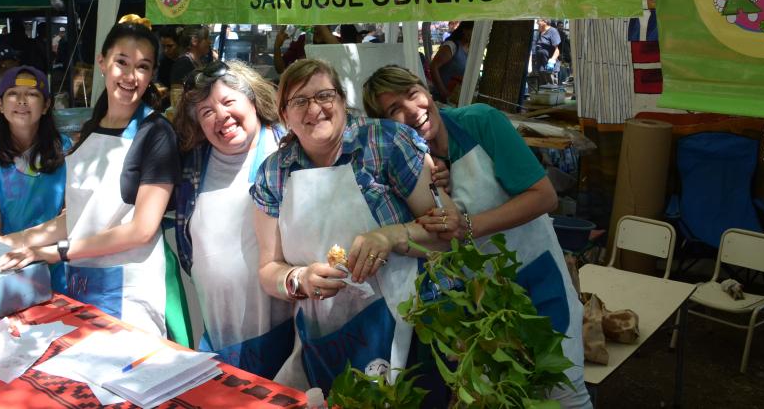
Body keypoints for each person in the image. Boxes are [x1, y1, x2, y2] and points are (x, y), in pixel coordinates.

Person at [362, 65, 591, 408]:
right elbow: (431, 237)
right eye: (395, 110)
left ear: (426, 89)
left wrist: (468, 225)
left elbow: (544, 196)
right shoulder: (409, 163)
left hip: (539, 286)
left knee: (562, 395)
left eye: (412, 94)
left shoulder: (480, 122)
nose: (413, 111)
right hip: (479, 308)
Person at [0, 17, 191, 345]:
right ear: (103, 63)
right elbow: (77, 218)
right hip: (81, 285)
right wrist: (10, 241)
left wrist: (54, 253)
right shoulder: (92, 129)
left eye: (143, 66)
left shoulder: (156, 133)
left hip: (131, 291)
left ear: (151, 76)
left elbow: (142, 229)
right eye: (122, 62)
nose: (130, 76)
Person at [251, 59, 457, 392]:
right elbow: (268, 269)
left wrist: (392, 237)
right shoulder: (274, 174)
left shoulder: (386, 142)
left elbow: (448, 232)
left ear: (342, 103)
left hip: (415, 323)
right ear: (284, 115)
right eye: (299, 101)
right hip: (333, 336)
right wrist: (298, 278)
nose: (314, 108)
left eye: (324, 95)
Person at [172, 60, 293, 378]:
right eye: (206, 112)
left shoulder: (288, 148)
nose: (221, 117)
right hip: (220, 341)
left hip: (288, 339)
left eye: (228, 102)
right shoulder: (192, 163)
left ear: (252, 99)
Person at [0, 66, 71, 293]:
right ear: (0, 105)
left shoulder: (68, 150)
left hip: (55, 261)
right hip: (5, 266)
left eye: (32, 94)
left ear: (46, 105)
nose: (21, 101)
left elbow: (73, 220)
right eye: (12, 94)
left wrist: (41, 254)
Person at [429, 20, 473, 103]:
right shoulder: (451, 46)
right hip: (442, 101)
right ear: (465, 30)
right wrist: (443, 91)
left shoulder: (471, 49)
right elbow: (433, 67)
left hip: (457, 100)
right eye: (473, 31)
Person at [170, 25, 212, 108]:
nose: (209, 42)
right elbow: (176, 97)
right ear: (194, 41)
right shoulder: (182, 63)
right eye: (206, 38)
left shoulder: (201, 61)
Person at [534, 19, 561, 84]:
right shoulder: (540, 32)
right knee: (542, 90)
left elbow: (557, 50)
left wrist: (552, 61)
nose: (537, 22)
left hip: (549, 68)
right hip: (541, 68)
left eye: (539, 21)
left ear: (545, 22)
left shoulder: (553, 31)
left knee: (551, 90)